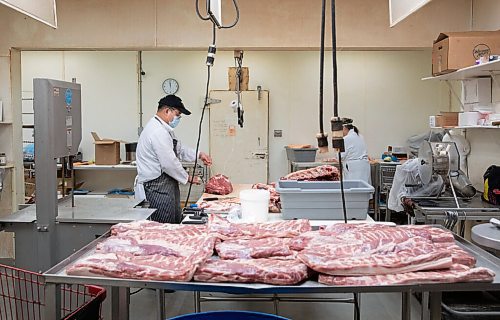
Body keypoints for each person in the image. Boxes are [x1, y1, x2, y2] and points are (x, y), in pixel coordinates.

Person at [135, 94, 212, 223]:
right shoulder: (157, 131)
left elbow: (179, 149)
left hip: (165, 184)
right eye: (177, 114)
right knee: (165, 225)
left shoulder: (165, 130)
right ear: (167, 111)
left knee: (174, 219)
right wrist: (188, 177)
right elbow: (169, 163)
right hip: (156, 187)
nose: (178, 118)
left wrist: (199, 154)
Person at [339, 118, 371, 184]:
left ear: (344, 127)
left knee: (353, 190)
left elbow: (340, 156)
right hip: (364, 166)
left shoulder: (346, 139)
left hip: (353, 169)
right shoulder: (360, 136)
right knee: (364, 189)